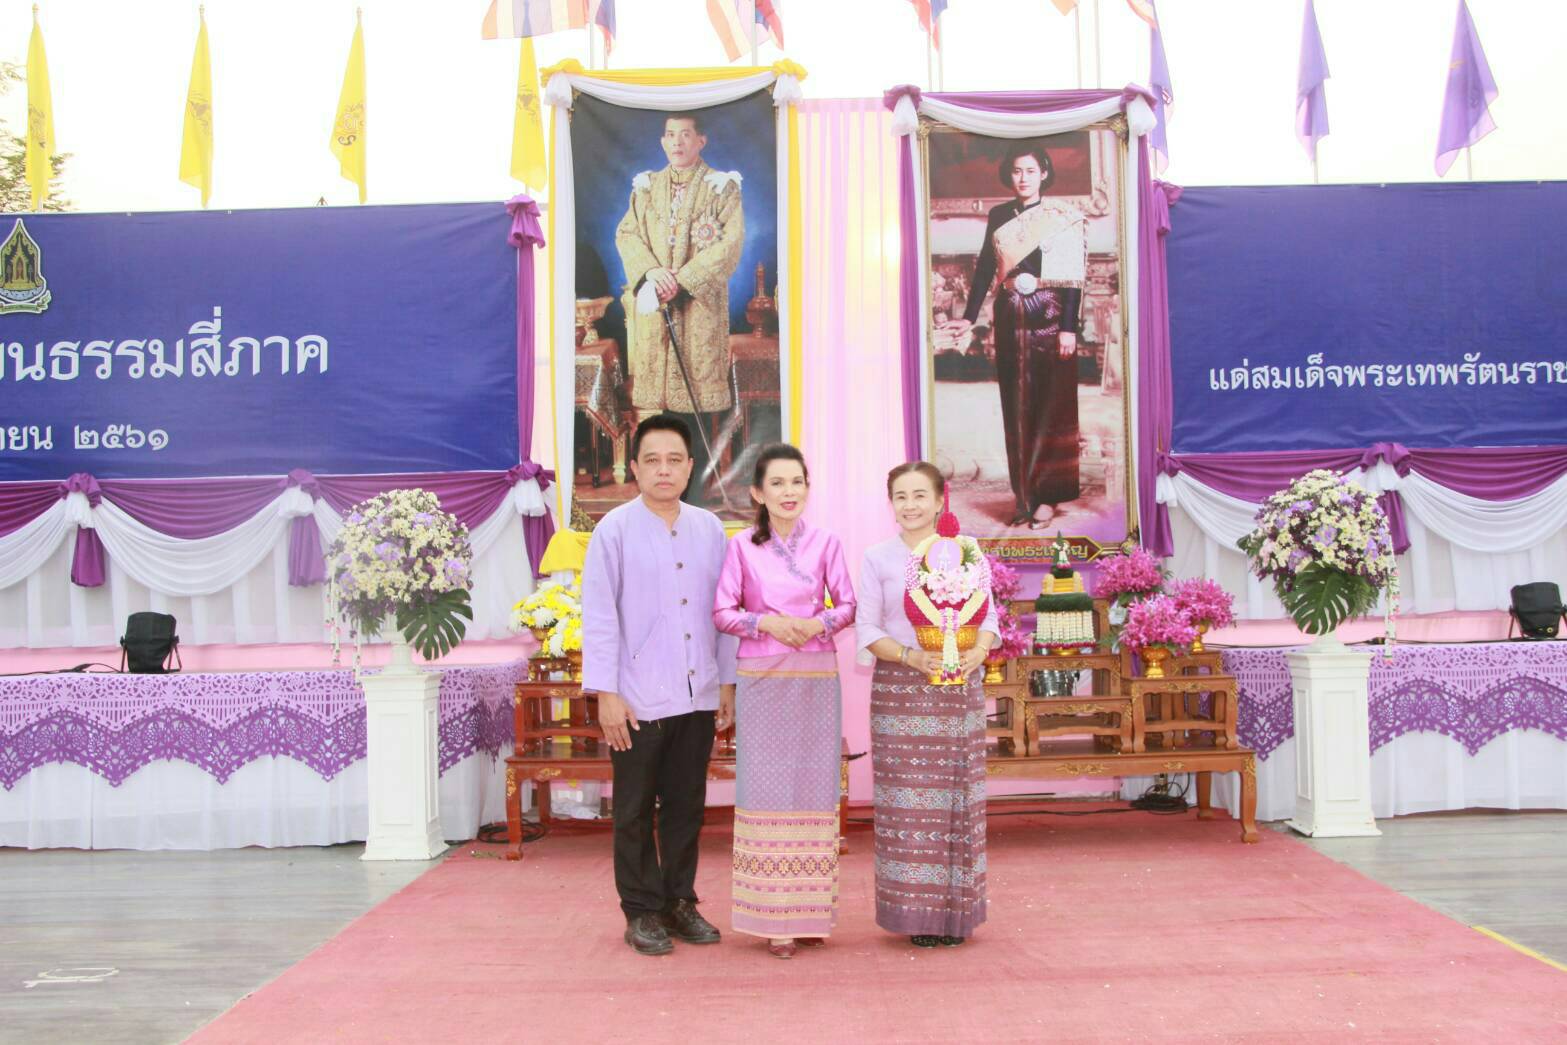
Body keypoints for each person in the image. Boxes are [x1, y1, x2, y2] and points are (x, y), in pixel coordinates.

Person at [580, 414, 739, 957]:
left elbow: (724, 612)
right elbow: (600, 616)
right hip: (636, 699)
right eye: (652, 460)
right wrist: (606, 693)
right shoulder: (614, 530)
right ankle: (642, 910)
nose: (663, 470)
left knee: (685, 807)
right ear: (634, 467)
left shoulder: (709, 529)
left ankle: (679, 902)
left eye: (674, 460)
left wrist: (726, 682)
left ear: (691, 467)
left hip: (698, 693)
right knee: (632, 810)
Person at [713, 444, 855, 960]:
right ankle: (774, 919)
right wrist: (768, 623)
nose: (788, 491)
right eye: (777, 483)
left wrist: (817, 624)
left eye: (797, 481)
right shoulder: (741, 547)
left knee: (815, 787)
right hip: (762, 678)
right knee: (767, 789)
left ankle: (810, 913)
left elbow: (848, 604)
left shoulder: (827, 543)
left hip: (816, 675)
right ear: (758, 493)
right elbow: (723, 612)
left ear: (808, 488)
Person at [856, 461, 998, 948]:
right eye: (900, 496)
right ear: (891, 503)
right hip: (900, 692)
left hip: (958, 691)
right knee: (908, 807)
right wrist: (912, 657)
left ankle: (956, 916)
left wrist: (976, 654)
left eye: (920, 495)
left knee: (957, 801)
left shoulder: (967, 551)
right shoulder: (878, 558)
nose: (910, 505)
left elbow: (989, 618)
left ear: (940, 500)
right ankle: (916, 916)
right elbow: (867, 628)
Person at [946, 141, 1086, 529]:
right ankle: (1025, 493)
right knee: (1016, 404)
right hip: (1010, 317)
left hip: (1051, 316)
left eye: (1030, 171)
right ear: (1010, 175)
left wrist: (1068, 328)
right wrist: (969, 317)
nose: (1023, 178)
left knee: (1050, 406)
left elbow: (1072, 277)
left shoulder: (1060, 216)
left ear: (1044, 174)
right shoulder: (999, 215)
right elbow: (984, 269)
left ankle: (1048, 496)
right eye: (1016, 171)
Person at [614, 111, 745, 508]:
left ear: (701, 140)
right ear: (662, 141)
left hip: (698, 315)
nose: (677, 142)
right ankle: (656, 501)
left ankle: (695, 504)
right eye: (670, 135)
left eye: (686, 134)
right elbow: (627, 234)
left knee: (695, 418)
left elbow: (730, 244)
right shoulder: (646, 188)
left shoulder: (721, 187)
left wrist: (682, 280)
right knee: (657, 420)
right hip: (656, 313)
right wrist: (652, 273)